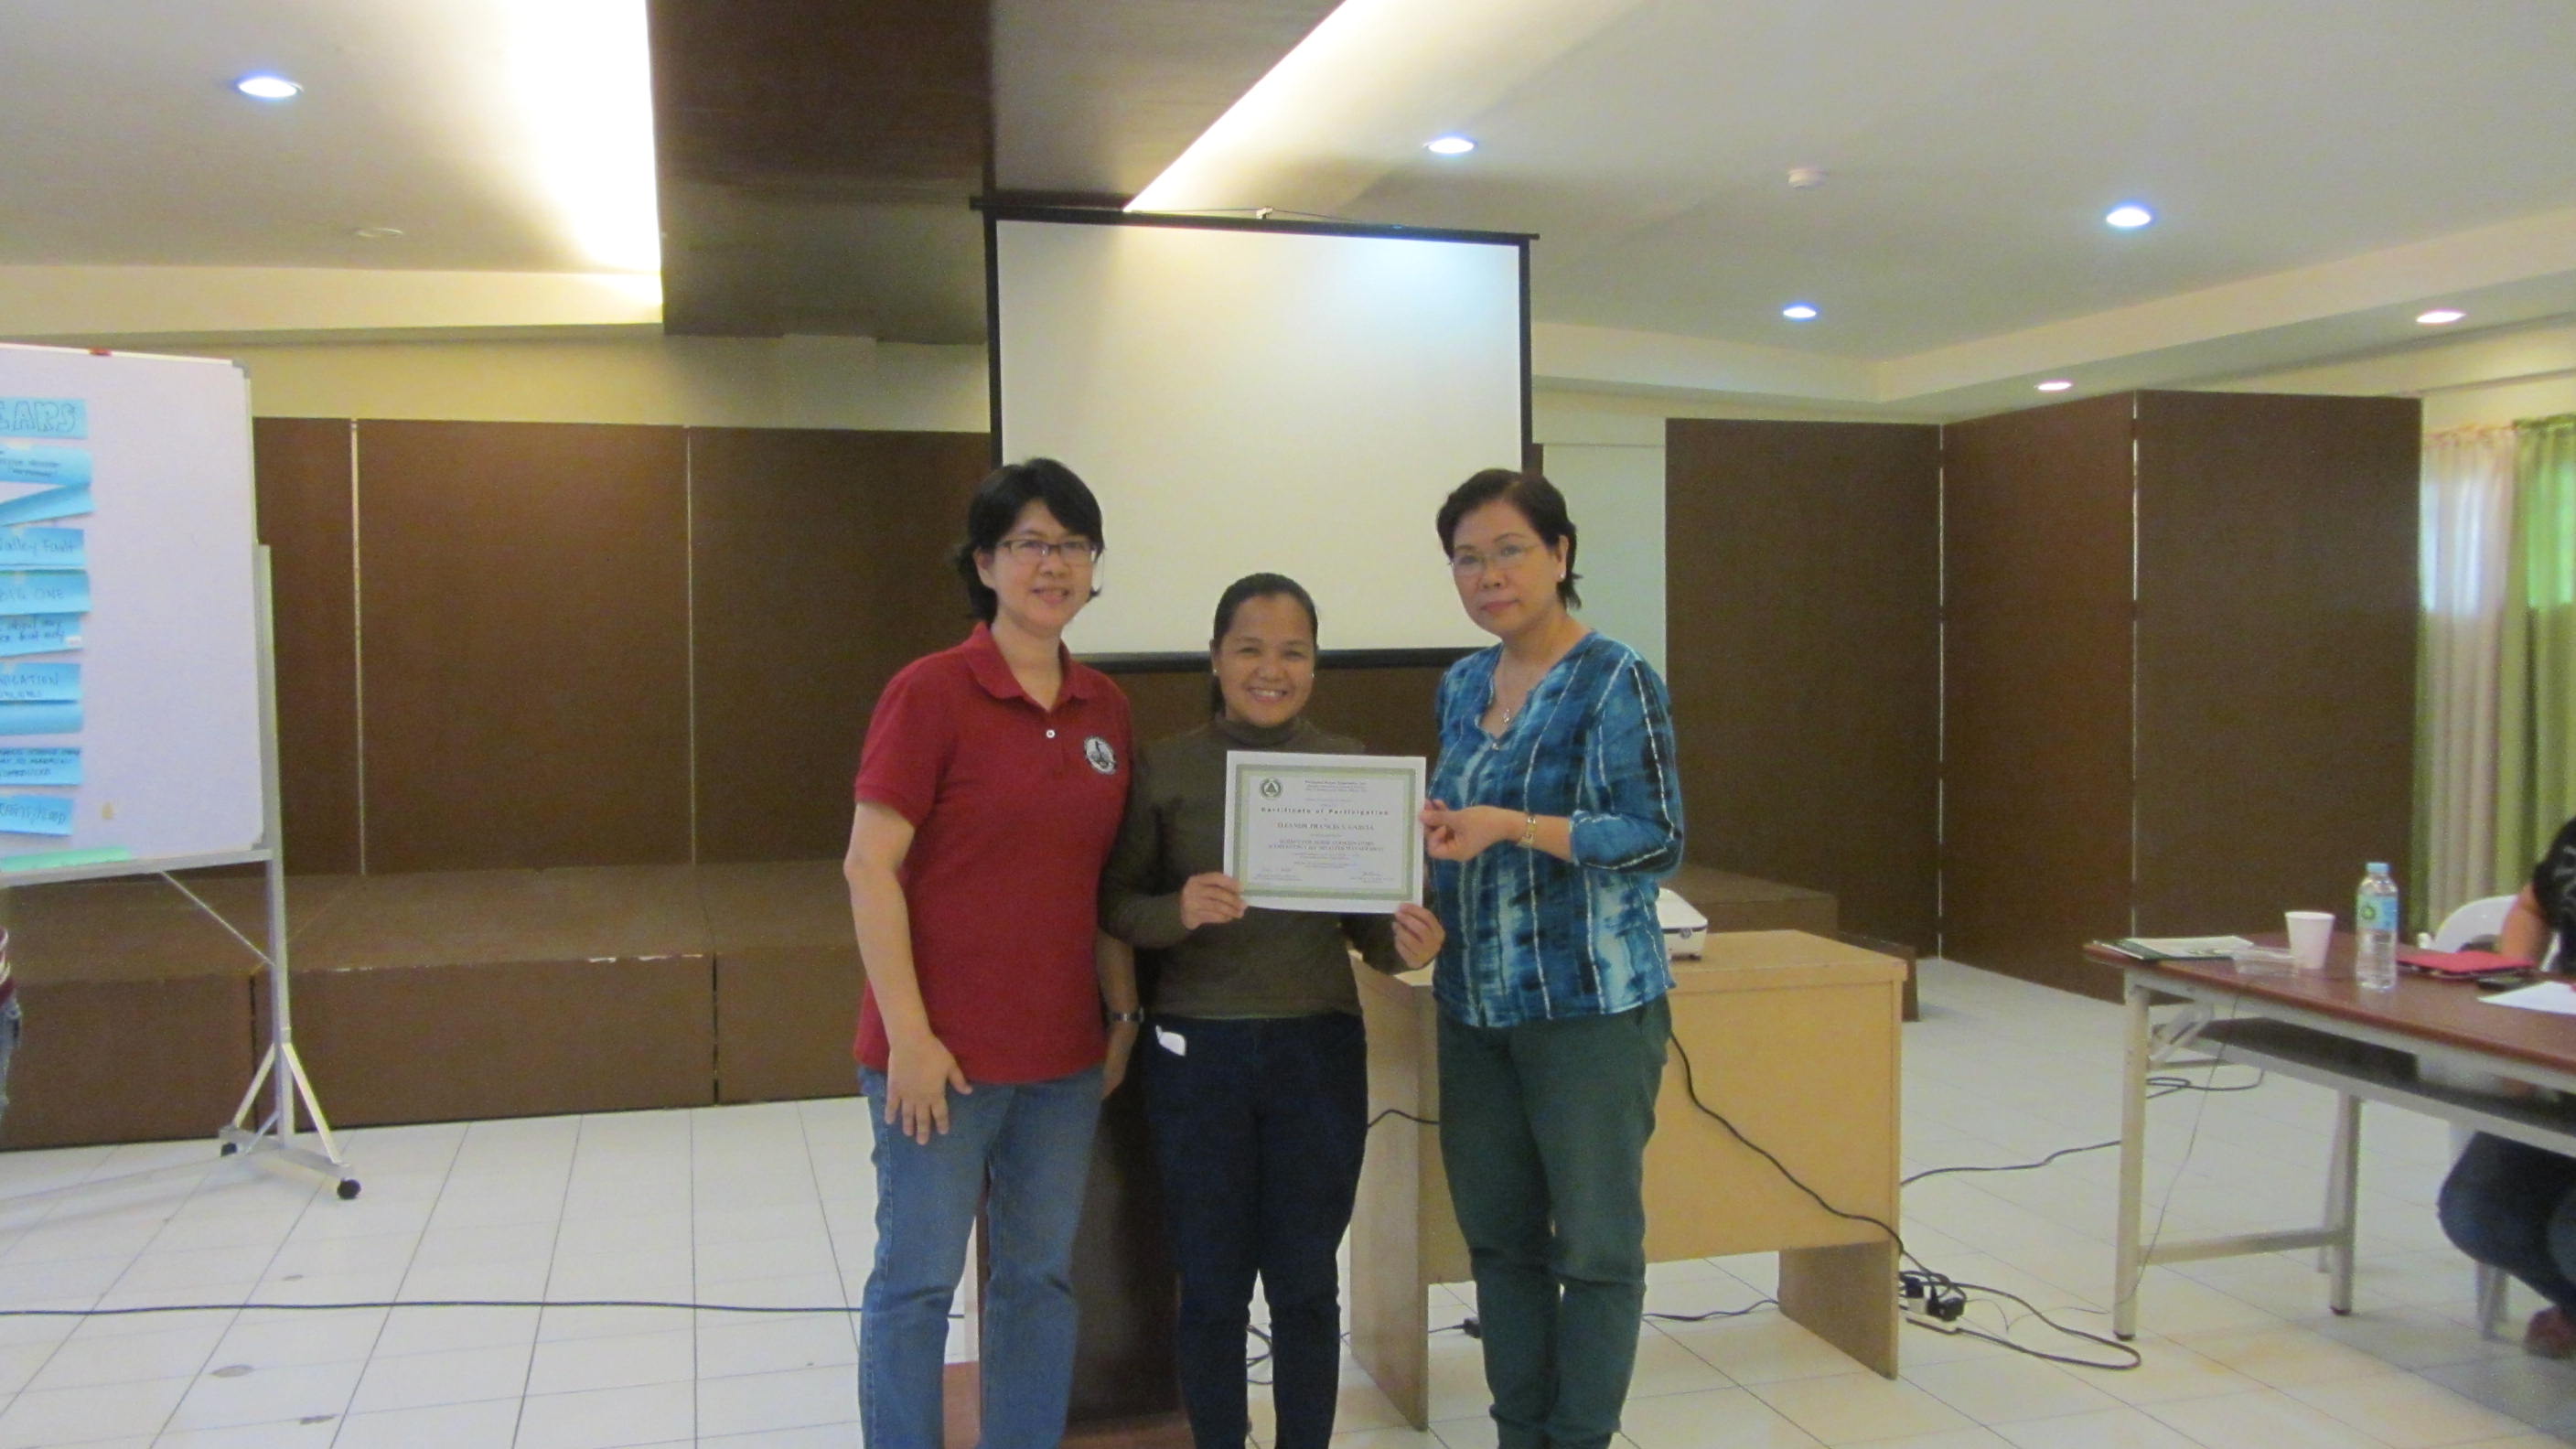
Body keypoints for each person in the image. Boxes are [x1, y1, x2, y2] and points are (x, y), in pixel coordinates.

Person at [1099, 574, 1445, 1449]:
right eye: (1250, 649)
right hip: (1196, 1056)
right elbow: (1116, 907)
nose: (1271, 669)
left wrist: (1412, 940)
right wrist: (1179, 909)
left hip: (1316, 1053)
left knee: (1305, 1285)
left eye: (1293, 652)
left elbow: (1374, 938)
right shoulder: (1166, 768)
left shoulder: (1353, 768)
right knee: (1212, 1287)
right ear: (1215, 659)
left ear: (1316, 665)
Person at [843, 457, 1142, 1449]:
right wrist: (910, 1039)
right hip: (940, 1061)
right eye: (1028, 544)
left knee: (1037, 1280)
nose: (1052, 565)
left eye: (1073, 546)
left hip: (1061, 1062)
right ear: (984, 563)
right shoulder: (930, 691)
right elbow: (868, 867)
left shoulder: (1105, 707)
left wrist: (1120, 1015)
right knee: (917, 1284)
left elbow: (1104, 882)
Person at [1416, 469, 1684, 1449]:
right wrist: (1425, 885)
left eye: (1509, 551)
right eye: (1467, 559)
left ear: (1560, 554)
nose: (1488, 576)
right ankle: (1517, 1432)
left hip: (1587, 1010)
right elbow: (1459, 834)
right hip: (1473, 1008)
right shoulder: (1460, 683)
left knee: (1598, 1249)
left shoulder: (1615, 677)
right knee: (1499, 1244)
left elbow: (1656, 839)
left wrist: (1516, 826)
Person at [2438, 816, 2576, 1358]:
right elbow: (2532, 907)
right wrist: (2516, 979)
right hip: (2559, 1068)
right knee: (2478, 1213)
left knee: (2571, 1237)